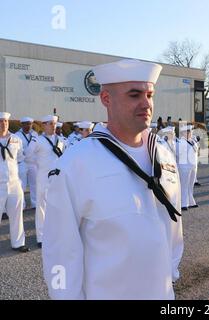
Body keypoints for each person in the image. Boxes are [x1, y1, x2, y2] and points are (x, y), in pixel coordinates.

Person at [42, 59, 183, 299]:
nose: (146, 103)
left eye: (150, 94)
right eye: (134, 95)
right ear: (106, 98)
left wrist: (170, 276)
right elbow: (61, 251)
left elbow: (173, 228)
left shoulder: (164, 154)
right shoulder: (77, 163)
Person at [26, 115, 66, 248]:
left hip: (58, 178)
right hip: (43, 177)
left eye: (54, 123)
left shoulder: (61, 140)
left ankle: (57, 234)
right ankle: (41, 237)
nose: (53, 126)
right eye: (50, 123)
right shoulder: (38, 140)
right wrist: (41, 166)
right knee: (42, 207)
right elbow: (28, 156)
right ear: (44, 125)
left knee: (58, 207)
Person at [0, 112, 30, 253]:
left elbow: (19, 158)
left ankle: (18, 243)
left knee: (17, 215)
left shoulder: (16, 139)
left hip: (13, 183)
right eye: (0, 121)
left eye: (5, 121)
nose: (3, 124)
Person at [15, 116, 38, 209]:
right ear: (22, 124)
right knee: (22, 185)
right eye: (26, 124)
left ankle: (35, 204)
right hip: (22, 163)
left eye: (30, 124)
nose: (28, 126)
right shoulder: (17, 135)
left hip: (33, 162)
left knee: (34, 184)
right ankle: (22, 205)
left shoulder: (35, 134)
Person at [176, 125, 198, 210]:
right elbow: (177, 154)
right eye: (188, 131)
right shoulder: (180, 142)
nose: (190, 133)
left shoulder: (193, 141)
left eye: (191, 131)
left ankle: (191, 201)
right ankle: (183, 204)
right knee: (184, 185)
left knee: (190, 185)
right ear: (183, 133)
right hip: (184, 167)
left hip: (193, 166)